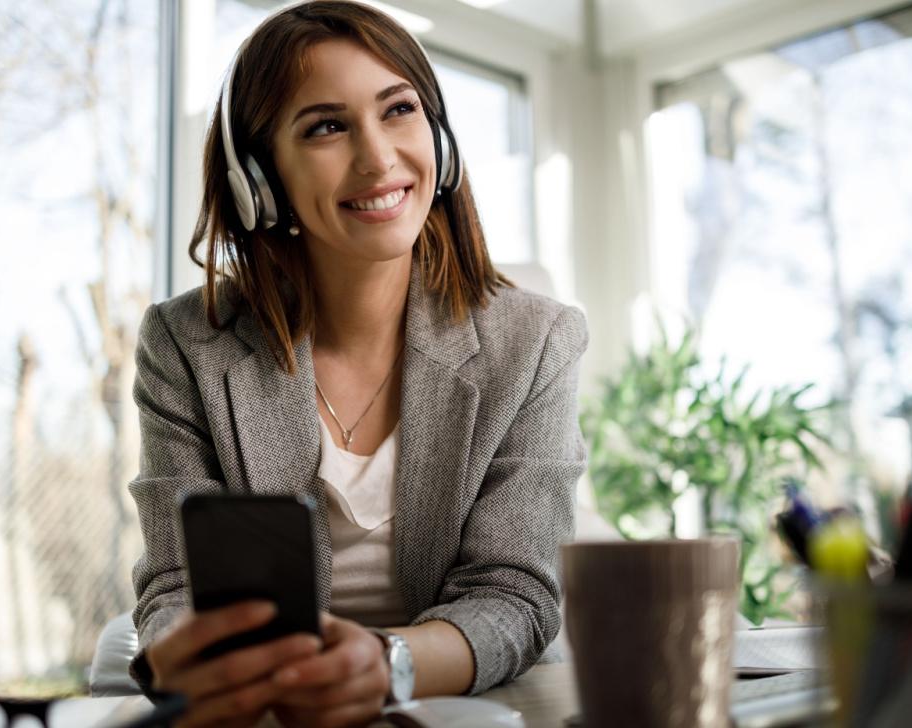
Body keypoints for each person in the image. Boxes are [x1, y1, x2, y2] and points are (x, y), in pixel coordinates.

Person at [126, 2, 588, 726]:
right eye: (327, 127)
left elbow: (515, 595)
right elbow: (175, 586)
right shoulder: (186, 343)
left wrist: (381, 665)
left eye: (399, 110)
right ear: (260, 177)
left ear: (441, 141)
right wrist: (192, 654)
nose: (378, 158)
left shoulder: (536, 341)